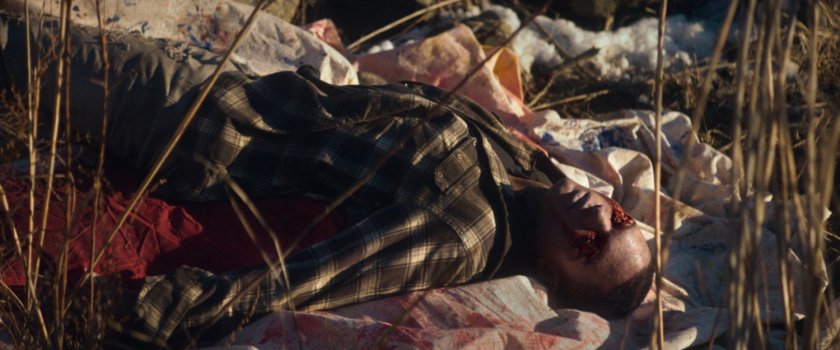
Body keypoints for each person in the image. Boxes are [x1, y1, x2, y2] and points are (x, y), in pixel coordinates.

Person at [0, 12, 652, 347]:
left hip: (198, 124)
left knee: (19, 49)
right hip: (234, 81)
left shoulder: (463, 232)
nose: (594, 219)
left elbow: (306, 279)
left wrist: (131, 316)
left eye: (590, 247)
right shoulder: (535, 173)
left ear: (553, 273)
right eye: (618, 222)